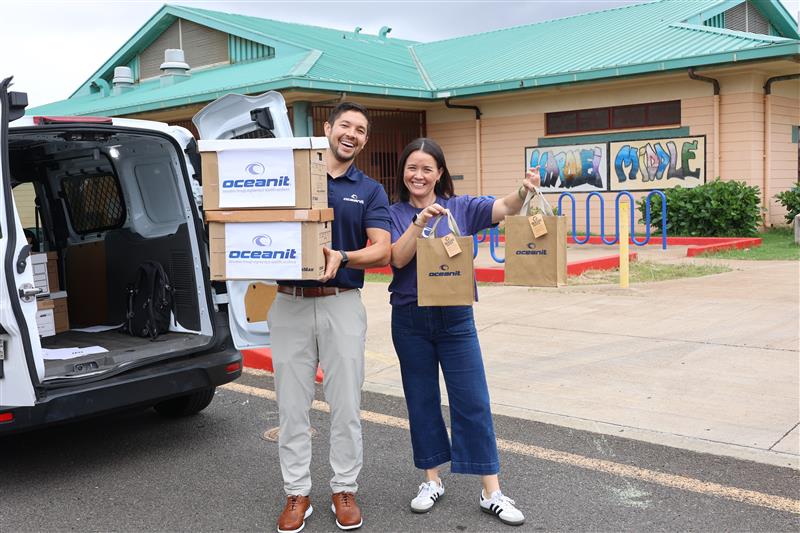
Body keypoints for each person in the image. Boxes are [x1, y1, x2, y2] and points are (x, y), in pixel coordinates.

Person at [388, 137, 539, 527]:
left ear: (440, 173)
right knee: (421, 400)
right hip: (410, 319)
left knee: (473, 401)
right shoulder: (394, 213)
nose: (418, 175)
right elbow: (397, 258)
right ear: (403, 172)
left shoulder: (463, 208)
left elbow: (505, 207)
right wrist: (420, 223)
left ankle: (492, 491)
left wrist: (523, 190)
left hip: (456, 320)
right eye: (411, 167)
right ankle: (431, 480)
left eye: (427, 168)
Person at [269, 102, 391, 533]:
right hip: (289, 302)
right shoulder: (294, 177)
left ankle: (344, 488)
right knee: (291, 406)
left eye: (360, 130)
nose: (352, 134)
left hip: (341, 303)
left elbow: (383, 248)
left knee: (346, 405)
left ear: (364, 139)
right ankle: (297, 493)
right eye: (345, 125)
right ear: (327, 128)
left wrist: (345, 256)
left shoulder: (370, 190)